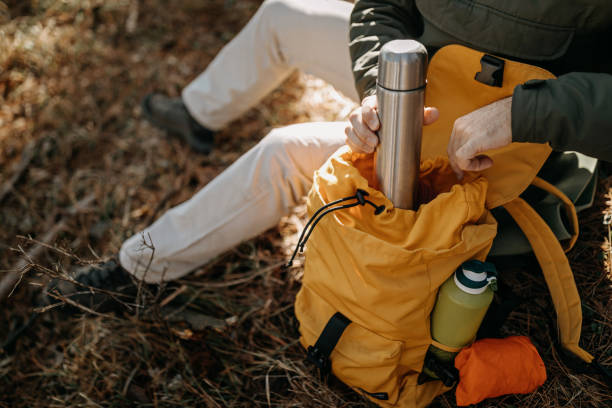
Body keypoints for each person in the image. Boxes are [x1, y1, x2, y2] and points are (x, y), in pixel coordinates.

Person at [50, 0, 612, 308]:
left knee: (283, 150)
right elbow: (382, 7)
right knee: (281, 16)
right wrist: (378, 88)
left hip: (506, 142)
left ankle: (138, 270)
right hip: (419, 80)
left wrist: (525, 113)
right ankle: (198, 115)